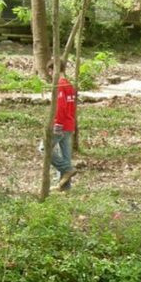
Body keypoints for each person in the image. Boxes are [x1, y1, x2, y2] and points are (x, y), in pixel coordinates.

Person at [48, 60, 78, 191]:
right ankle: (65, 187)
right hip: (69, 123)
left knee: (44, 149)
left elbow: (61, 107)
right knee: (65, 155)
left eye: (50, 72)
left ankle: (67, 169)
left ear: (52, 70)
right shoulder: (69, 84)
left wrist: (56, 124)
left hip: (60, 124)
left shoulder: (59, 85)